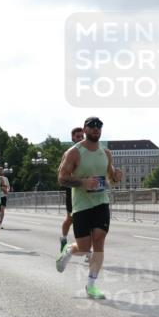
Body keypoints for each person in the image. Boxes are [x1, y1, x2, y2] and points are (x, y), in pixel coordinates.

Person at [55, 117, 123, 299]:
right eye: (92, 126)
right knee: (84, 248)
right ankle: (69, 250)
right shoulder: (74, 153)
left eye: (99, 126)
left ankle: (91, 285)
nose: (96, 129)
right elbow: (61, 178)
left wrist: (116, 176)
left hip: (101, 201)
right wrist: (82, 182)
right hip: (81, 205)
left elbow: (110, 176)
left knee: (99, 240)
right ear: (85, 129)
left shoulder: (106, 152)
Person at [59, 126, 86, 250]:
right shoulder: (69, 152)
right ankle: (64, 238)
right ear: (73, 138)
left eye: (82, 136)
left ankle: (87, 249)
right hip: (72, 189)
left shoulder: (88, 151)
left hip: (86, 189)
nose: (80, 138)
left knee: (87, 219)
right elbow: (61, 172)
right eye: (78, 136)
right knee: (71, 219)